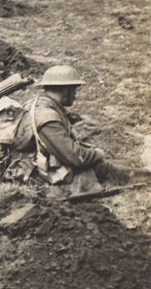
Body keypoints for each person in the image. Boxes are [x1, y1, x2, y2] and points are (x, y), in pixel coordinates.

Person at [22, 66, 128, 195]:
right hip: (42, 173)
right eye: (74, 90)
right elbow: (74, 157)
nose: (75, 95)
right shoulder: (47, 117)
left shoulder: (42, 104)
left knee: (110, 163)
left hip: (44, 163)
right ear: (66, 89)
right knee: (103, 168)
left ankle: (139, 164)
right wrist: (97, 154)